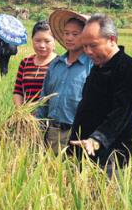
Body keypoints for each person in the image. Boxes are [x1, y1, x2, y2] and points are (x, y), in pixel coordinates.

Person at [69, 14, 132, 176]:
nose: (88, 51)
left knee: (102, 199)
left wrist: (97, 140)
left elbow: (122, 113)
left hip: (110, 157)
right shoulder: (99, 66)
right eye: (85, 46)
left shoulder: (129, 69)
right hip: (84, 150)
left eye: (93, 45)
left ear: (112, 39)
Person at [36, 10, 93, 154]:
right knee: (51, 173)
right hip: (53, 131)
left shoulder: (92, 66)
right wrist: (37, 128)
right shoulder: (56, 64)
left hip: (79, 133)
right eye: (66, 33)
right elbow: (44, 100)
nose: (69, 38)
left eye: (75, 34)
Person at [13, 20, 57, 106]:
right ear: (32, 40)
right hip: (25, 116)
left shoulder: (59, 63)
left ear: (55, 41)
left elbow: (58, 95)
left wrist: (34, 106)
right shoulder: (25, 62)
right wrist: (20, 110)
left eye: (47, 41)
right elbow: (18, 91)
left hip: (49, 117)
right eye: (37, 40)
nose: (42, 45)